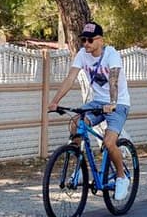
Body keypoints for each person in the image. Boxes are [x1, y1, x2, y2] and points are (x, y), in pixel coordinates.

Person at [47, 21, 131, 200]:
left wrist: (113, 102)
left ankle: (121, 177)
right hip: (97, 102)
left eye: (90, 40)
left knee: (109, 143)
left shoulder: (112, 54)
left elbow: (114, 80)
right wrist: (55, 101)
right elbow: (70, 78)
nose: (86, 43)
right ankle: (78, 167)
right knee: (76, 124)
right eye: (83, 40)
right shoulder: (82, 55)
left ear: (100, 40)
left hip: (118, 103)